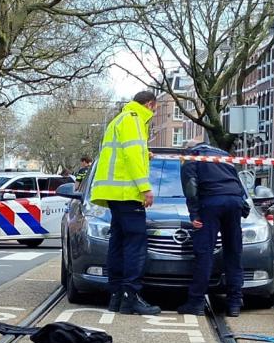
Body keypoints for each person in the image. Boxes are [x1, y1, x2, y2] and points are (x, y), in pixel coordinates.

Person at [91, 91, 160, 316]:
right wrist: (145, 188)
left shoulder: (120, 118)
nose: (153, 113)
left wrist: (144, 153)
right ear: (150, 104)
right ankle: (131, 297)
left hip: (114, 192)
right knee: (135, 245)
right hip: (126, 192)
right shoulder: (134, 119)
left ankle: (117, 296)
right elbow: (130, 156)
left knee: (118, 243)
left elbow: (125, 153)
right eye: (154, 108)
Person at [177, 141, 250, 317]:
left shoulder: (190, 156)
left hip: (210, 203)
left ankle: (196, 302)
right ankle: (234, 303)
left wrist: (194, 215)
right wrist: (242, 204)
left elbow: (191, 187)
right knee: (233, 252)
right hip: (233, 202)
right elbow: (237, 182)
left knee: (204, 253)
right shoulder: (223, 154)